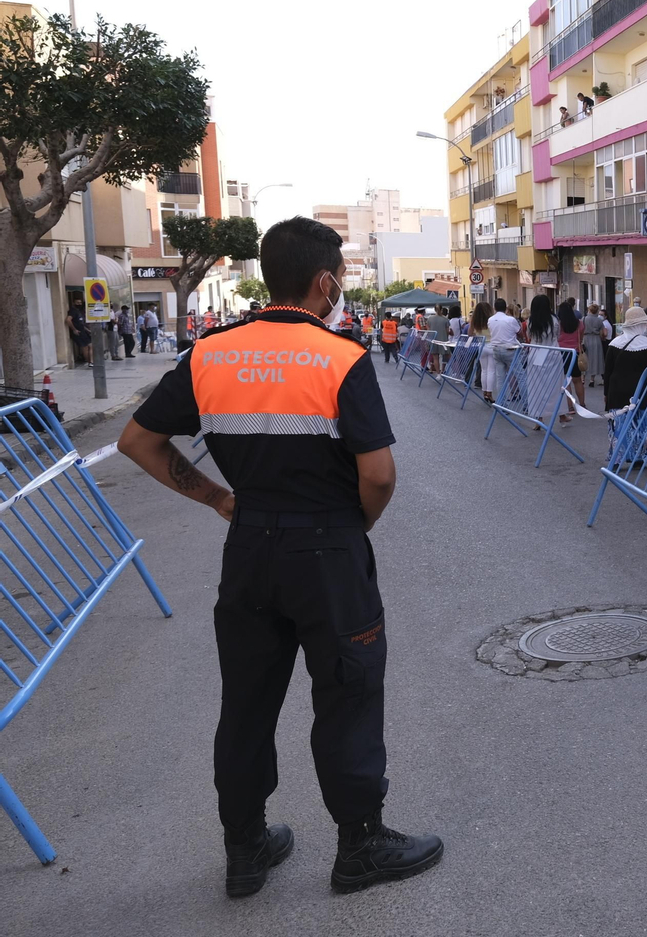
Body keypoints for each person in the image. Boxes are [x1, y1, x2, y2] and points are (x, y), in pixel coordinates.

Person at [115, 216, 441, 899]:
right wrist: (354, 529)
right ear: (325, 282)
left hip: (250, 546)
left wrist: (217, 499)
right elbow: (378, 475)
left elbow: (138, 442)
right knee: (348, 694)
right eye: (342, 281)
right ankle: (359, 846)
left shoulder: (210, 354)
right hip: (327, 547)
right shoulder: (341, 357)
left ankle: (245, 850)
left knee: (246, 704)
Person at [605, 306, 647, 466]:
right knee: (641, 424)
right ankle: (639, 456)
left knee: (619, 424)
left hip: (617, 389)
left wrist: (606, 394)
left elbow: (608, 371)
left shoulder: (615, 343)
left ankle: (617, 458)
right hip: (642, 391)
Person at [480, 298, 520, 405]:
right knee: (521, 376)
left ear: (495, 308)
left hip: (495, 348)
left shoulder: (490, 320)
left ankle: (501, 402)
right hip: (509, 349)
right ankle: (526, 405)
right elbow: (519, 331)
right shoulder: (511, 320)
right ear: (506, 308)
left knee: (499, 377)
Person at [557, 298, 585, 418]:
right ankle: (582, 404)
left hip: (562, 353)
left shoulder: (558, 324)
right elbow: (581, 337)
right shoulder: (579, 323)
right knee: (577, 380)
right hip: (576, 353)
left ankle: (570, 407)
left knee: (566, 381)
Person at [582, 304, 609, 388]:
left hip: (586, 339)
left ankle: (583, 378)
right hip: (596, 340)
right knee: (595, 359)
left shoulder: (584, 319)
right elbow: (604, 333)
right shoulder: (599, 321)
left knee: (584, 359)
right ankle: (592, 379)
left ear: (589, 310)